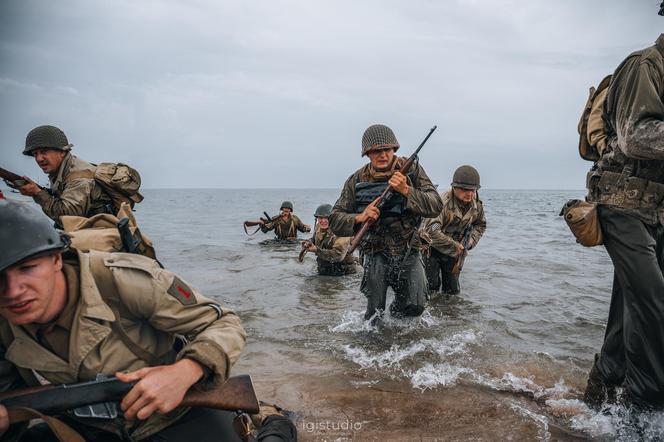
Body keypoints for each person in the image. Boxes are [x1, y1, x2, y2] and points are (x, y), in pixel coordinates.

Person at [0, 197, 296, 441]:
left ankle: (273, 420)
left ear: (56, 259)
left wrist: (184, 372)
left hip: (175, 412)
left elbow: (224, 323)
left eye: (27, 268)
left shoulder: (122, 279)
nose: (13, 291)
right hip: (89, 423)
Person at [583, 34, 664, 411]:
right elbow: (637, 138)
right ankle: (645, 405)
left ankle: (599, 395)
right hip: (620, 201)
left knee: (630, 306)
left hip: (654, 207)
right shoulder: (645, 64)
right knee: (652, 299)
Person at [329, 124, 443, 321]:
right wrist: (360, 217)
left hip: (409, 248)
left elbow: (436, 205)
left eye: (387, 150)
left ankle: (397, 322)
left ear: (394, 150)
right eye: (376, 151)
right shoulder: (356, 179)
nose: (382, 155)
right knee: (374, 314)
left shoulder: (412, 170)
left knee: (416, 306)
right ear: (367, 153)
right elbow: (335, 219)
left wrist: (407, 190)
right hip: (375, 251)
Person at [15, 125, 115, 223]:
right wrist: (40, 191)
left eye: (44, 151)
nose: (38, 159)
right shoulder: (63, 170)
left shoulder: (79, 178)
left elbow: (67, 217)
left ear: (62, 152)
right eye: (35, 154)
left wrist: (37, 193)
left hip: (101, 231)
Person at [421, 165, 486, 295]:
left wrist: (470, 242)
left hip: (455, 252)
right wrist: (455, 245)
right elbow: (431, 232)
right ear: (454, 187)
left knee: (452, 291)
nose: (470, 194)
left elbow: (480, 225)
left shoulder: (477, 205)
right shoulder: (441, 202)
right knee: (430, 287)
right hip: (431, 248)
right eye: (465, 189)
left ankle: (450, 314)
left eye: (473, 190)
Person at [301, 204, 358, 276]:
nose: (323, 221)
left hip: (344, 273)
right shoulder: (318, 226)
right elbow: (314, 239)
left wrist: (316, 250)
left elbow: (338, 256)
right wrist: (308, 242)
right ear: (317, 218)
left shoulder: (342, 231)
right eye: (320, 218)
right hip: (324, 270)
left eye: (326, 218)